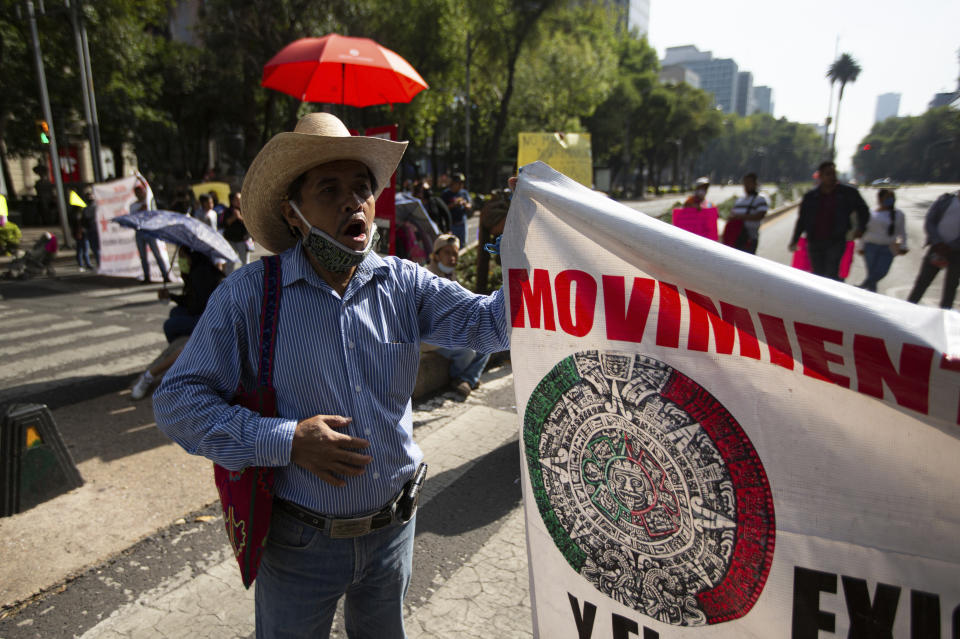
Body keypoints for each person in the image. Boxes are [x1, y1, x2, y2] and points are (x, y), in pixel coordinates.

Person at [152, 112, 509, 638]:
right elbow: (177, 402)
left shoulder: (403, 284)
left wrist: (520, 235)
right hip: (300, 544)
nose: (352, 202)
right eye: (329, 189)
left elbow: (493, 326)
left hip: (394, 532)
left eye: (362, 188)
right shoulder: (250, 295)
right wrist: (287, 440)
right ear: (293, 214)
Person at [131, 247, 225, 399]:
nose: (181, 261)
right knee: (175, 317)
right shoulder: (197, 273)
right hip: (208, 322)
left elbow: (197, 306)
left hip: (210, 322)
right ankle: (155, 372)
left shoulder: (201, 275)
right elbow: (191, 302)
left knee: (173, 329)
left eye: (183, 257)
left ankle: (151, 375)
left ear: (191, 256)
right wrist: (173, 295)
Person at [422, 234, 492, 398]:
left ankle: (466, 378)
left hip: (450, 332)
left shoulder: (451, 276)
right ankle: (463, 378)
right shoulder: (426, 276)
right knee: (467, 350)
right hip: (430, 337)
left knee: (487, 345)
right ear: (436, 255)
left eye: (454, 254)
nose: (452, 258)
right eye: (447, 253)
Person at [789, 161, 869, 281]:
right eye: (828, 174)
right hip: (814, 241)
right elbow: (802, 219)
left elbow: (863, 210)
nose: (832, 177)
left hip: (836, 241)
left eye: (833, 174)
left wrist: (861, 228)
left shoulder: (847, 193)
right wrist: (795, 240)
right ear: (820, 176)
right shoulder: (811, 197)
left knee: (831, 272)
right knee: (817, 274)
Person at [907, 188, 960, 308]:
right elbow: (930, 220)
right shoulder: (945, 200)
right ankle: (908, 308)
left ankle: (944, 315)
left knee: (951, 287)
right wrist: (938, 242)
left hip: (956, 252)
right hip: (936, 248)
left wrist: (951, 246)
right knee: (922, 282)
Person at [856, 188, 908, 293]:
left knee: (881, 272)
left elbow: (902, 232)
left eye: (892, 198)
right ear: (879, 199)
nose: (890, 200)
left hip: (888, 248)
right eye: (887, 198)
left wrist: (903, 246)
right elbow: (863, 231)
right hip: (870, 247)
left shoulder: (899, 214)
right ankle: (871, 295)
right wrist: (860, 246)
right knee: (872, 273)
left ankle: (862, 286)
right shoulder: (871, 213)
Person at [131, 184, 171, 284]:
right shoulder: (133, 206)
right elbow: (133, 217)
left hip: (150, 231)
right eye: (137, 192)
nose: (139, 194)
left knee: (157, 254)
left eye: (140, 191)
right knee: (143, 257)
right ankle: (147, 277)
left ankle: (165, 275)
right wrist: (141, 209)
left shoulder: (149, 202)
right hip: (140, 232)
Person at [726, 173, 769, 254]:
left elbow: (760, 215)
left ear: (755, 184)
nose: (747, 185)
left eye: (749, 182)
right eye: (745, 183)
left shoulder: (760, 199)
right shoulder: (739, 200)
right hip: (735, 236)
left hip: (749, 237)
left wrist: (740, 217)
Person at [440, 172, 471, 246]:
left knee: (463, 245)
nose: (461, 185)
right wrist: (453, 204)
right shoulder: (446, 193)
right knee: (452, 245)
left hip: (462, 223)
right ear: (453, 183)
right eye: (459, 183)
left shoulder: (464, 193)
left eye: (462, 183)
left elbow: (469, 205)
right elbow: (442, 209)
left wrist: (465, 204)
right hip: (451, 225)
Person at [222, 191, 249, 274]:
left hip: (242, 240)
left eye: (240, 199)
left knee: (245, 261)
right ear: (232, 201)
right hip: (230, 240)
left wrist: (239, 217)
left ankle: (247, 277)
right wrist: (234, 217)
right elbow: (225, 223)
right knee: (230, 261)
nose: (239, 201)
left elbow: (249, 223)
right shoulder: (227, 211)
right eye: (237, 199)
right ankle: (228, 279)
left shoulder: (245, 209)